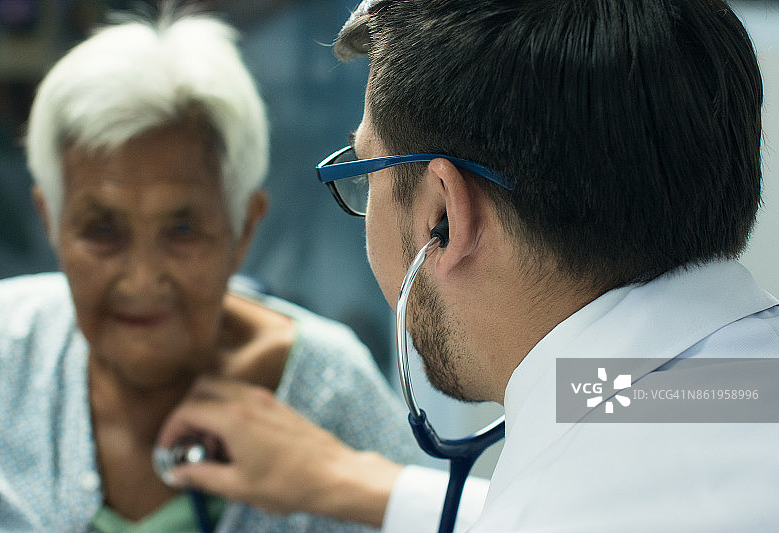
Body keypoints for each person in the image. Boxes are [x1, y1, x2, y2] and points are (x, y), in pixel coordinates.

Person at [157, 0, 779, 531]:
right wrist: (358, 481)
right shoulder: (730, 382)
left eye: (363, 166)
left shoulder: (554, 511)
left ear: (442, 216)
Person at [0, 10, 420, 533]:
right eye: (102, 230)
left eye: (183, 230)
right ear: (51, 222)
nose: (142, 280)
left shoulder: (330, 395)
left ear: (244, 230)